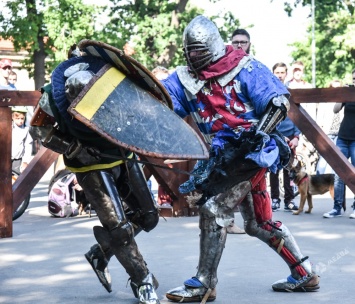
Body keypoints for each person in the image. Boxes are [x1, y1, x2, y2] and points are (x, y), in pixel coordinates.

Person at [162, 15, 319, 302]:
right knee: (258, 223)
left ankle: (204, 284)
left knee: (214, 209)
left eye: (198, 49)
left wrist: (259, 134)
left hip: (251, 153)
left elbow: (277, 101)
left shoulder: (244, 67)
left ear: (210, 45)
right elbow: (162, 100)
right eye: (190, 51)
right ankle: (304, 272)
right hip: (222, 157)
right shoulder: (185, 78)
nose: (194, 56)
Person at [30, 52, 161, 303]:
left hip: (122, 153)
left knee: (148, 216)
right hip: (88, 164)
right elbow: (38, 129)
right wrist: (73, 147)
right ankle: (142, 279)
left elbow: (138, 113)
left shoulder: (116, 81)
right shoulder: (51, 97)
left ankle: (100, 253)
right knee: (119, 228)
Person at [323, 69, 355, 219]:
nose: (354, 81)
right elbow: (336, 110)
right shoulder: (347, 93)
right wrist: (342, 96)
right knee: (338, 173)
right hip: (343, 137)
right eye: (353, 78)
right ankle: (337, 207)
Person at [270, 62, 300, 212]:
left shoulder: (292, 93)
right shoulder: (268, 91)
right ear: (273, 74)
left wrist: (296, 137)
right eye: (277, 72)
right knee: (274, 170)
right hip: (275, 136)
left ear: (286, 74)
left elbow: (298, 117)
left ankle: (289, 200)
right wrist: (278, 136)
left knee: (289, 171)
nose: (280, 75)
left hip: (290, 137)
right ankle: (275, 199)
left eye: (282, 72)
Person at [316, 79, 344, 175]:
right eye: (333, 87)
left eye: (338, 88)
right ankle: (318, 182)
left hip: (340, 135)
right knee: (323, 160)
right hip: (327, 133)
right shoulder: (325, 102)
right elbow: (319, 119)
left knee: (336, 161)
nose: (335, 90)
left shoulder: (343, 101)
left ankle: (332, 185)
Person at [11, 106, 33, 174]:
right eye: (17, 118)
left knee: (16, 178)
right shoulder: (9, 127)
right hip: (6, 158)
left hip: (18, 159)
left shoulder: (26, 130)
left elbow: (28, 145)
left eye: (22, 118)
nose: (20, 121)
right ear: (13, 117)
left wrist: (25, 161)